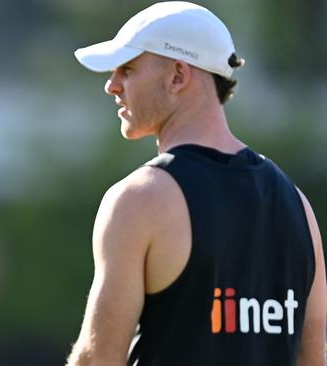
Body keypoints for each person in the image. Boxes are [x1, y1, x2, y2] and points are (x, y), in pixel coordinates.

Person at [66, 2, 326, 365]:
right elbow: (313, 359)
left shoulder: (140, 199)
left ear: (177, 76)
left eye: (128, 69)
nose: (112, 85)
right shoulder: (299, 207)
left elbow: (99, 359)